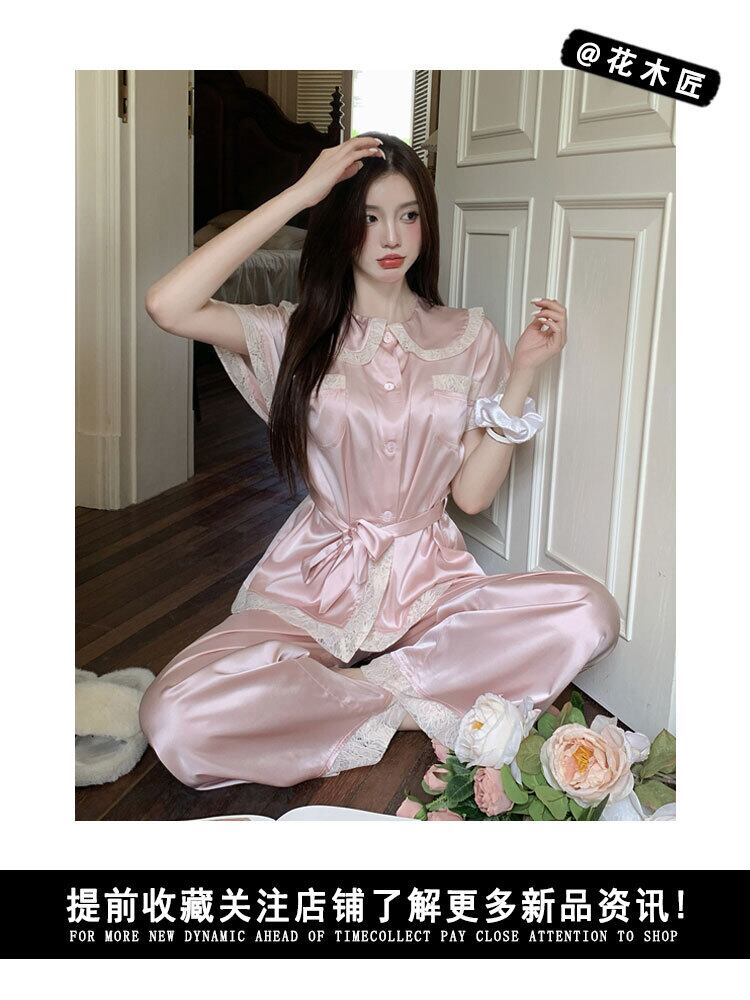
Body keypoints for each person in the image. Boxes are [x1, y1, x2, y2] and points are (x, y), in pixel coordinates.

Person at [138, 132, 621, 791]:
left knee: (591, 611)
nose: (391, 237)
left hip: (430, 583)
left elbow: (472, 497)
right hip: (312, 582)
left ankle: (353, 696)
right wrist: (302, 194)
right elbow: (167, 305)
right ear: (340, 226)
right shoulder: (293, 333)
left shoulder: (469, 336)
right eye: (368, 217)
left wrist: (523, 373)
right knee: (173, 713)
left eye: (408, 214)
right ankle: (417, 703)